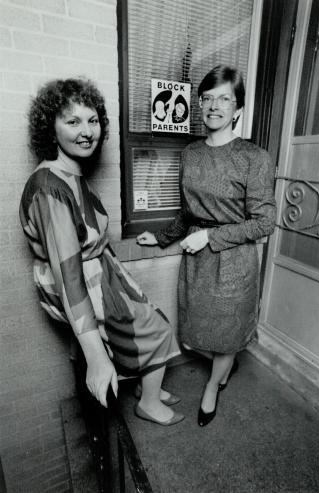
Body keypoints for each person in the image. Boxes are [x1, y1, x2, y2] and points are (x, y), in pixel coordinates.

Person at [19, 78, 184, 426]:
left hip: (101, 274)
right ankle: (148, 402)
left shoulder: (70, 173)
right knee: (154, 331)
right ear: (51, 127)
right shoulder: (49, 188)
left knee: (156, 322)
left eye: (92, 120)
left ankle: (145, 389)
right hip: (81, 285)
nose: (86, 131)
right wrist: (95, 355)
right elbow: (68, 274)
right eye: (72, 121)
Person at [137, 65, 276, 427]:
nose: (215, 105)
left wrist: (211, 237)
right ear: (199, 104)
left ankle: (214, 384)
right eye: (208, 98)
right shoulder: (191, 153)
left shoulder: (254, 158)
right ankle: (223, 366)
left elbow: (264, 222)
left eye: (225, 98)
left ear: (238, 108)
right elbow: (188, 211)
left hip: (233, 262)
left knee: (227, 336)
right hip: (197, 260)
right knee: (192, 335)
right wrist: (164, 236)